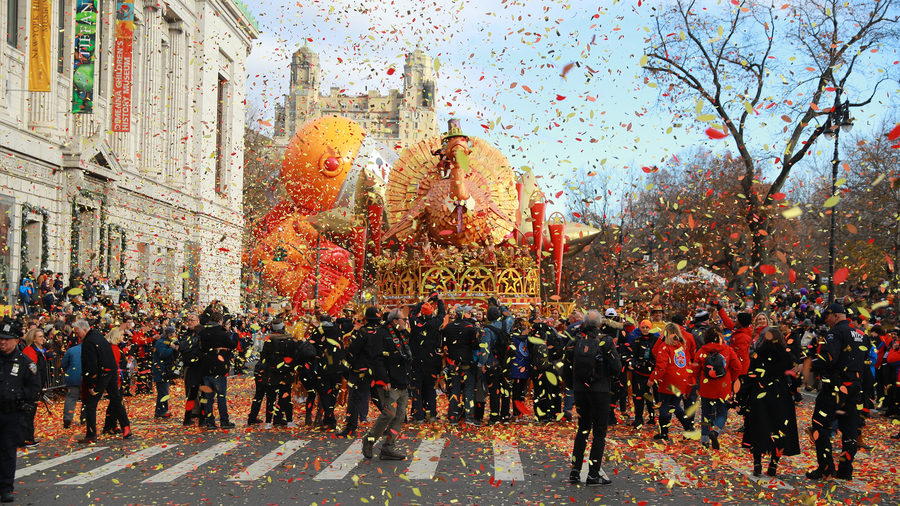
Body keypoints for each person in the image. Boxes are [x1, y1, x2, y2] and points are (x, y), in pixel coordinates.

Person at [806, 303, 867, 481]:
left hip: (836, 384)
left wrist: (808, 364)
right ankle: (846, 469)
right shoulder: (861, 333)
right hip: (855, 384)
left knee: (819, 423)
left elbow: (829, 359)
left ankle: (826, 467)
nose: (826, 320)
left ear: (836, 316)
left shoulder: (835, 332)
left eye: (827, 317)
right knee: (849, 427)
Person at [565, 309, 622, 485]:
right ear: (599, 324)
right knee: (599, 432)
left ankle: (575, 471)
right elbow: (617, 367)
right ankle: (593, 473)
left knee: (582, 429)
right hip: (600, 390)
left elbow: (565, 367)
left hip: (581, 390)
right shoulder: (605, 341)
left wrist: (573, 386)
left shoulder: (575, 341)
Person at [735, 326, 800, 476]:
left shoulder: (758, 354)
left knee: (759, 428)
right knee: (778, 429)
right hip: (780, 394)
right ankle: (773, 464)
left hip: (760, 392)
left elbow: (750, 377)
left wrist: (740, 397)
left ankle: (757, 462)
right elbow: (795, 377)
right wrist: (793, 390)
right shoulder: (786, 355)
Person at [362, 309, 412, 460]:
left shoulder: (401, 334)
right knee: (389, 413)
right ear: (395, 321)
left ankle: (388, 447)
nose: (406, 322)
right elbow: (377, 359)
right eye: (404, 319)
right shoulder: (382, 335)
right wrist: (384, 379)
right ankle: (369, 440)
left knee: (399, 416)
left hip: (402, 381)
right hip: (389, 382)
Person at [0, 318, 40, 503]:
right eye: (1, 338)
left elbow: (34, 389)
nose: (2, 342)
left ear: (16, 340)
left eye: (7, 339)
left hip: (11, 413)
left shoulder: (26, 363)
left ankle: (6, 488)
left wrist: (17, 393)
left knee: (8, 451)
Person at [77, 319, 131, 443]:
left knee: (91, 403)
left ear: (84, 330)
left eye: (78, 332)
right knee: (116, 400)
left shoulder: (88, 342)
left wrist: (90, 383)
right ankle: (126, 427)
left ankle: (91, 433)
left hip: (102, 374)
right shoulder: (99, 337)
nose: (77, 335)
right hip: (111, 371)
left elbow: (89, 364)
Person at [337, 308, 383, 437]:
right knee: (377, 397)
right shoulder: (382, 331)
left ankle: (351, 427)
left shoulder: (363, 332)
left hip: (364, 369)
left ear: (366, 319)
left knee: (356, 397)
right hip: (378, 368)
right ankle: (390, 421)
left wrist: (354, 335)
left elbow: (354, 349)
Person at [693, 326, 741, 450]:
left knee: (705, 413)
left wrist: (692, 384)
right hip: (723, 387)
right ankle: (715, 431)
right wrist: (731, 379)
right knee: (722, 412)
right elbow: (738, 367)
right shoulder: (728, 349)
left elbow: (694, 369)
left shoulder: (702, 350)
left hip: (706, 386)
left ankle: (704, 441)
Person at [648, 323, 695, 440]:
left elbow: (661, 367)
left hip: (668, 381)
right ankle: (688, 427)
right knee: (675, 405)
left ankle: (664, 432)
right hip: (681, 379)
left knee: (664, 404)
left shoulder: (664, 347)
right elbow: (688, 364)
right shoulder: (682, 347)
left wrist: (652, 379)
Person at [408, 294, 446, 423]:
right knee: (430, 388)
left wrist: (421, 303)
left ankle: (419, 416)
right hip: (431, 361)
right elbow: (442, 313)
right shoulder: (435, 323)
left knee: (417, 388)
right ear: (431, 313)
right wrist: (440, 300)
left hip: (417, 360)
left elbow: (411, 313)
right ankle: (432, 415)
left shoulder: (415, 323)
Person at [442, 305, 481, 425]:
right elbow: (475, 345)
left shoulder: (448, 327)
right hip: (466, 361)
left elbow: (445, 343)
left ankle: (453, 416)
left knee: (455, 388)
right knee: (469, 388)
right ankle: (469, 416)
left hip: (453, 361)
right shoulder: (470, 327)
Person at [199, 311, 237, 429]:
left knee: (208, 397)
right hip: (219, 367)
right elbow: (233, 345)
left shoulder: (203, 332)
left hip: (206, 366)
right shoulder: (221, 333)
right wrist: (235, 333)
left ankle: (210, 421)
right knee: (221, 395)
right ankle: (224, 420)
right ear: (220, 321)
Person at [626, 319, 660, 428]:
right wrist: (636, 364)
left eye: (647, 327)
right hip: (640, 373)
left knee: (652, 396)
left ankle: (652, 417)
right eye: (643, 327)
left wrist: (652, 363)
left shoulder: (656, 340)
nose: (645, 329)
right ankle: (639, 419)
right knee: (639, 396)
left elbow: (659, 355)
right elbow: (633, 355)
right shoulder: (636, 340)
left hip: (653, 373)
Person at [21, 328, 51, 446]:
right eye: (40, 337)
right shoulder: (30, 351)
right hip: (30, 386)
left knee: (30, 412)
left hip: (36, 386)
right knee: (28, 412)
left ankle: (28, 436)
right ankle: (27, 438)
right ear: (33, 339)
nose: (43, 339)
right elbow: (32, 371)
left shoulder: (39, 351)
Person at [178, 313, 204, 426]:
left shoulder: (201, 333)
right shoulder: (185, 334)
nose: (189, 322)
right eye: (188, 320)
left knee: (203, 393)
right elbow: (182, 347)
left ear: (197, 321)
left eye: (192, 320)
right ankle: (187, 417)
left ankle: (202, 418)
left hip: (200, 366)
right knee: (191, 394)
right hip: (190, 366)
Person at [152, 326, 178, 418]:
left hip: (165, 370)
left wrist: (175, 350)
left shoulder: (165, 342)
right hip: (160, 370)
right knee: (163, 391)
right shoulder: (160, 343)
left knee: (163, 391)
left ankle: (160, 410)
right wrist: (171, 348)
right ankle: (162, 410)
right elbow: (163, 354)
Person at [60, 332, 83, 429]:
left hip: (73, 377)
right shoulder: (91, 350)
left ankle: (68, 418)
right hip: (86, 378)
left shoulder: (71, 350)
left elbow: (64, 363)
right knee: (87, 399)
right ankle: (84, 418)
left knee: (71, 398)